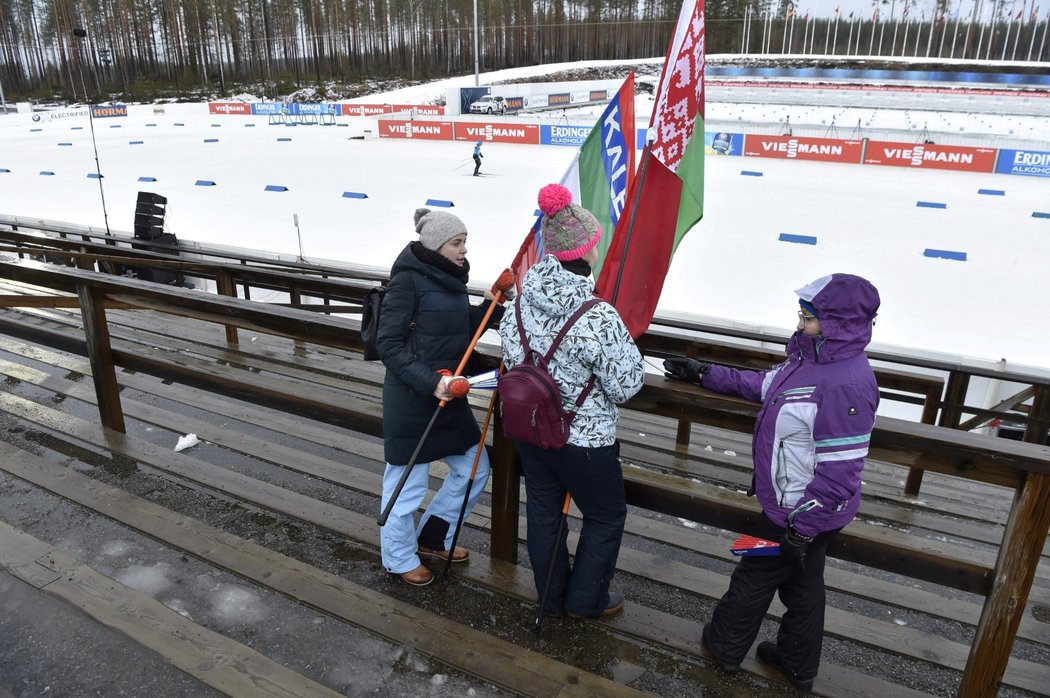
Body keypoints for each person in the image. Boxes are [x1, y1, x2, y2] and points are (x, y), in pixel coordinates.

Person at [663, 273, 880, 691]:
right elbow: (765, 385)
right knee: (803, 585)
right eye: (801, 316)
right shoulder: (809, 361)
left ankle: (724, 647)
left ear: (838, 323)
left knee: (754, 572)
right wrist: (704, 372)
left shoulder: (846, 383)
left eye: (809, 319)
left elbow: (841, 471)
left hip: (798, 511)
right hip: (798, 507)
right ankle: (797, 664)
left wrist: (802, 525)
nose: (801, 325)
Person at [499, 183, 645, 619]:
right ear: (587, 252)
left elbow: (512, 354)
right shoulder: (597, 314)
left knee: (545, 516)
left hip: (529, 431)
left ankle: (551, 595)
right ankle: (585, 603)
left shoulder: (521, 301)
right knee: (605, 517)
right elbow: (626, 385)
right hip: (584, 442)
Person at [376, 207, 511, 587]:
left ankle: (435, 537)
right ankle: (398, 557)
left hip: (450, 399)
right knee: (407, 487)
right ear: (436, 246)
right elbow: (388, 344)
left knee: (475, 469)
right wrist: (430, 382)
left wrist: (491, 306)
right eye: (457, 242)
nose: (464, 250)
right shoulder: (408, 282)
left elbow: (460, 334)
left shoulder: (449, 280)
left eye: (465, 242)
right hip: (414, 401)